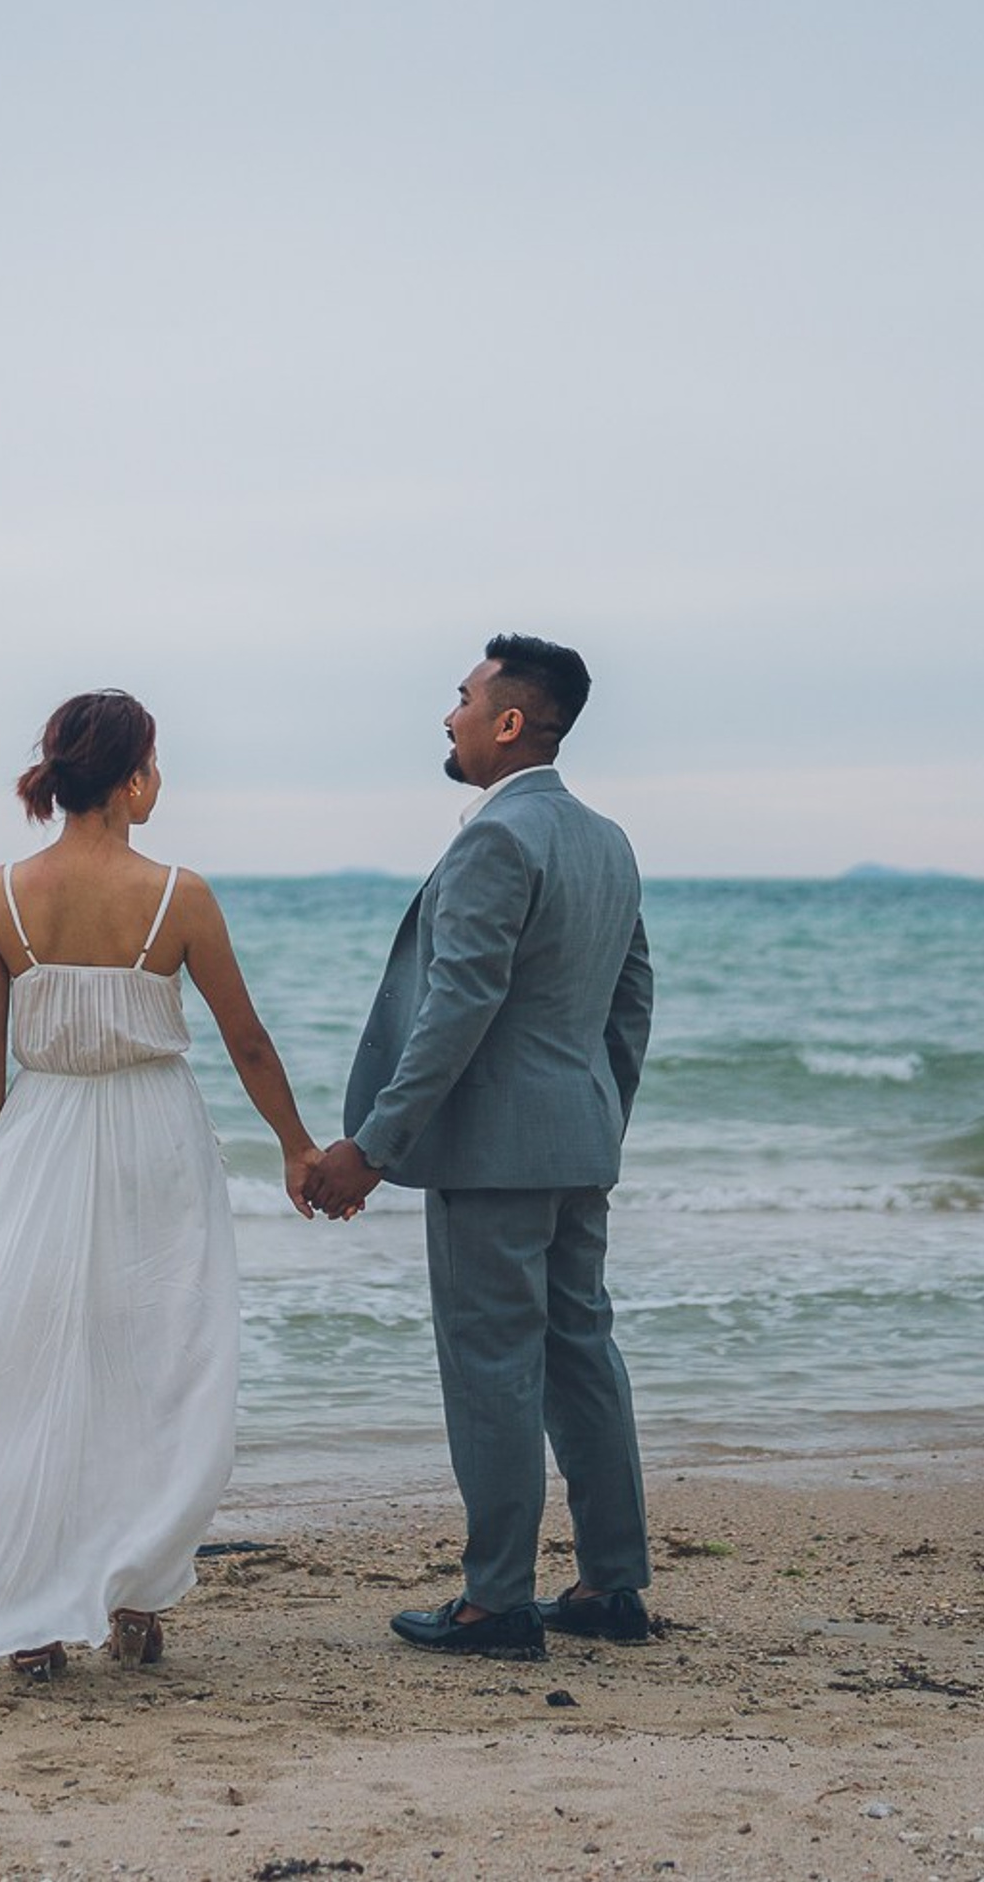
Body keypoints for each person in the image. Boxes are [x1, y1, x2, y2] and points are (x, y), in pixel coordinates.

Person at [0, 688, 323, 1677]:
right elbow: (246, 1039)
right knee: (156, 1363)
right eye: (155, 763)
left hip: (41, 1132)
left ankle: (33, 1615)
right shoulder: (179, 894)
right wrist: (296, 1144)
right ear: (131, 776)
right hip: (154, 1139)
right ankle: (133, 1595)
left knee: (30, 1372)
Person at [303, 636, 654, 1661]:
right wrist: (598, 1119)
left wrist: (371, 1145)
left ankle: (496, 1601)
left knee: (492, 1366)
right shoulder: (606, 839)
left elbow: (455, 1010)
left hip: (493, 1158)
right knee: (581, 1355)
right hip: (575, 1145)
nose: (447, 716)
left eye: (460, 699)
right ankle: (610, 1585)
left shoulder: (497, 840)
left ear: (508, 721)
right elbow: (631, 1001)